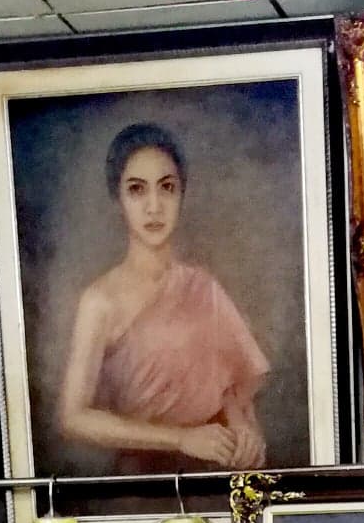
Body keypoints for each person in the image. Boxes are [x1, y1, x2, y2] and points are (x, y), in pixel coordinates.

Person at [59, 121, 269, 471]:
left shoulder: (204, 287)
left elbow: (231, 388)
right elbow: (73, 417)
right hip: (142, 480)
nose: (154, 206)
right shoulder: (100, 300)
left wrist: (246, 432)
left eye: (167, 188)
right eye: (137, 190)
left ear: (181, 194)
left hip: (216, 469)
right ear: (118, 198)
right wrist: (182, 439)